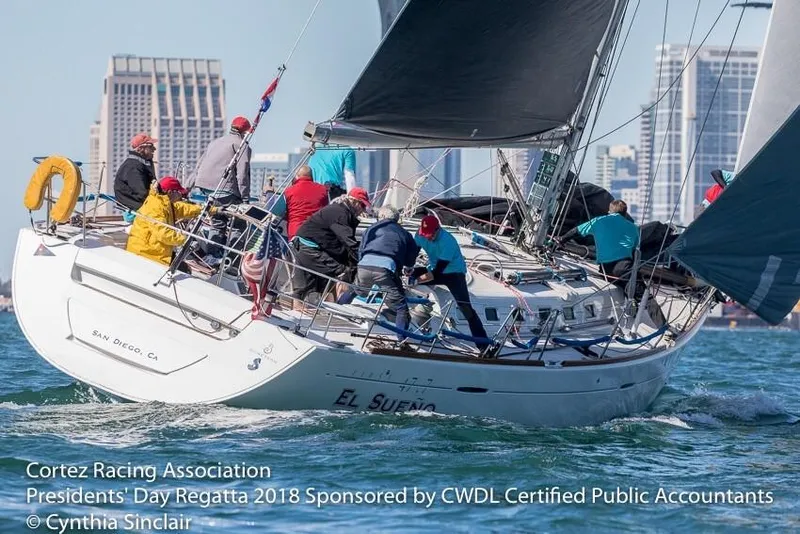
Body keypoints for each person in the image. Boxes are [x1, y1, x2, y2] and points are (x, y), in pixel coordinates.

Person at [338, 206, 419, 341]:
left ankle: (336, 311)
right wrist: (408, 268)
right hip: (385, 269)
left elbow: (361, 249)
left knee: (354, 290)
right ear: (397, 219)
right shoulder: (405, 233)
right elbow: (410, 258)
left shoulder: (371, 229)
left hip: (364, 265)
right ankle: (402, 340)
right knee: (400, 306)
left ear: (380, 217)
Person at [413, 215, 489, 350]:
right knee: (406, 274)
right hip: (434, 268)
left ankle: (483, 345)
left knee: (466, 308)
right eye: (425, 235)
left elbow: (436, 273)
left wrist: (416, 280)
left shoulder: (448, 242)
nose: (427, 238)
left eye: (430, 235)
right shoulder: (420, 235)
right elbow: (412, 254)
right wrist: (408, 269)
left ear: (438, 230)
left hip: (454, 274)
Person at [188, 116, 253, 266]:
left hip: (206, 189)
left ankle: (212, 255)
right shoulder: (242, 145)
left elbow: (199, 166)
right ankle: (232, 261)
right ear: (245, 132)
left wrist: (187, 187)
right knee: (239, 224)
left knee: (217, 223)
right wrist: (245, 199)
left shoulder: (215, 142)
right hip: (225, 189)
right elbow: (242, 174)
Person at [291, 188, 370, 304]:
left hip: (310, 245)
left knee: (325, 276)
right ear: (354, 202)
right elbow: (348, 242)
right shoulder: (340, 214)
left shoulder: (341, 211)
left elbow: (344, 245)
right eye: (362, 205)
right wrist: (365, 260)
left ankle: (330, 306)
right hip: (309, 247)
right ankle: (334, 305)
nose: (363, 209)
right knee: (342, 271)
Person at [559, 200, 641, 298]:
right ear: (625, 213)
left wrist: (561, 240)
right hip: (624, 268)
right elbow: (634, 249)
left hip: (605, 270)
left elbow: (576, 231)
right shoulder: (634, 228)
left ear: (609, 211)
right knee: (643, 296)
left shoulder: (599, 221)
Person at [125, 176, 211, 268]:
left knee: (183, 268)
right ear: (170, 192)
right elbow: (163, 233)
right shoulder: (155, 206)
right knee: (182, 269)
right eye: (178, 192)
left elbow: (183, 209)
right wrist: (185, 240)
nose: (180, 196)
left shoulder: (164, 203)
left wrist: (210, 209)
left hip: (154, 252)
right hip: (145, 255)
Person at [280, 165, 329, 239]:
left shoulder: (288, 191)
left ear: (297, 176)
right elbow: (325, 211)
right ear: (312, 176)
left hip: (295, 232)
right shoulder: (323, 190)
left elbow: (283, 213)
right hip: (317, 232)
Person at [114, 133, 157, 216]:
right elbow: (142, 193)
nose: (154, 149)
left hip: (142, 205)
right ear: (140, 149)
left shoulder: (140, 164)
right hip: (137, 208)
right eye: (151, 146)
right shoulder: (133, 167)